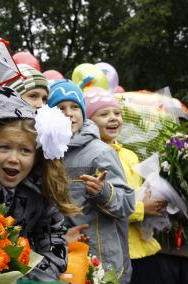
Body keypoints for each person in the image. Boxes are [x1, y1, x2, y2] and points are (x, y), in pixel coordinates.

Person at [0, 86, 80, 281]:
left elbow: (53, 237)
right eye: (4, 148)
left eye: (25, 151)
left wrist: (35, 278)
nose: (14, 158)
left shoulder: (40, 190)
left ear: (36, 157)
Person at [47, 80, 135, 284]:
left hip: (100, 265)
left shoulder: (100, 152)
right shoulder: (45, 155)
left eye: (75, 107)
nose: (69, 113)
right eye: (60, 108)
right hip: (59, 261)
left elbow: (127, 204)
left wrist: (103, 192)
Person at [83, 87, 167, 284]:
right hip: (119, 250)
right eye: (104, 114)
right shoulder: (92, 157)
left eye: (117, 113)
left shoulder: (130, 155)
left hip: (146, 246)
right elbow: (103, 203)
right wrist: (142, 209)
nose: (113, 118)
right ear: (88, 121)